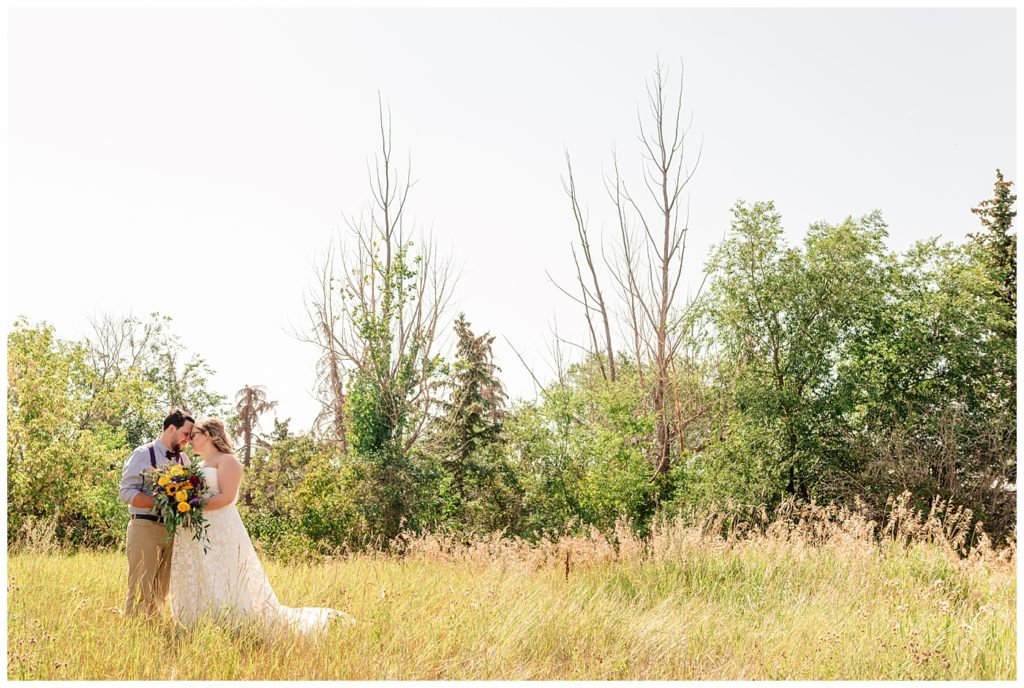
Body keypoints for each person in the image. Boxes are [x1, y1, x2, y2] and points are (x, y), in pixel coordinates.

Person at [168, 418, 354, 635]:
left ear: (207, 434)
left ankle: (236, 623)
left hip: (220, 527)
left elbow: (227, 497)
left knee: (225, 573)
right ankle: (198, 623)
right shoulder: (197, 465)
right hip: (197, 528)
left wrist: (192, 505)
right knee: (203, 572)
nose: (189, 440)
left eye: (194, 435)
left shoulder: (228, 461)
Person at [118, 408, 195, 616]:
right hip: (145, 526)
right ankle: (132, 635)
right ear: (171, 428)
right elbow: (125, 491)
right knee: (141, 588)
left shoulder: (185, 462)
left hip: (172, 530)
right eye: (186, 434)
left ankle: (152, 636)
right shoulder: (142, 454)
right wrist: (160, 501)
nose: (188, 439)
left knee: (162, 590)